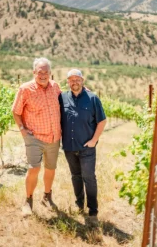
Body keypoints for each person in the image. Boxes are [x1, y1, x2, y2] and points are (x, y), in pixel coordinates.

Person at [12, 57, 61, 216]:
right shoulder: (25, 89)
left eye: (46, 72)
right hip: (34, 137)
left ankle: (47, 196)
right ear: (34, 72)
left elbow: (66, 102)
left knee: (50, 169)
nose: (43, 75)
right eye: (40, 72)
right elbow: (16, 111)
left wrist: (83, 90)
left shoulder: (55, 87)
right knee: (34, 168)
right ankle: (28, 199)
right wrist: (22, 129)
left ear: (50, 73)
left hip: (54, 137)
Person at [59, 69, 106, 222]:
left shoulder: (92, 98)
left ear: (82, 80)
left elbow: (102, 121)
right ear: (68, 82)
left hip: (87, 147)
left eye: (77, 79)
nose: (75, 82)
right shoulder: (62, 98)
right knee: (76, 176)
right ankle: (79, 204)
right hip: (69, 147)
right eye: (71, 79)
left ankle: (93, 211)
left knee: (89, 177)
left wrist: (93, 141)